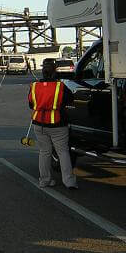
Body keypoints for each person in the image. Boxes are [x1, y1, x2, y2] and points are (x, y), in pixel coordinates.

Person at [28, 59, 78, 189]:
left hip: (39, 123)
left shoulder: (34, 86)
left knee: (44, 152)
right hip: (57, 124)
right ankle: (69, 182)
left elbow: (31, 104)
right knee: (63, 152)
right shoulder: (60, 86)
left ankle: (44, 180)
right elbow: (70, 100)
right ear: (55, 71)